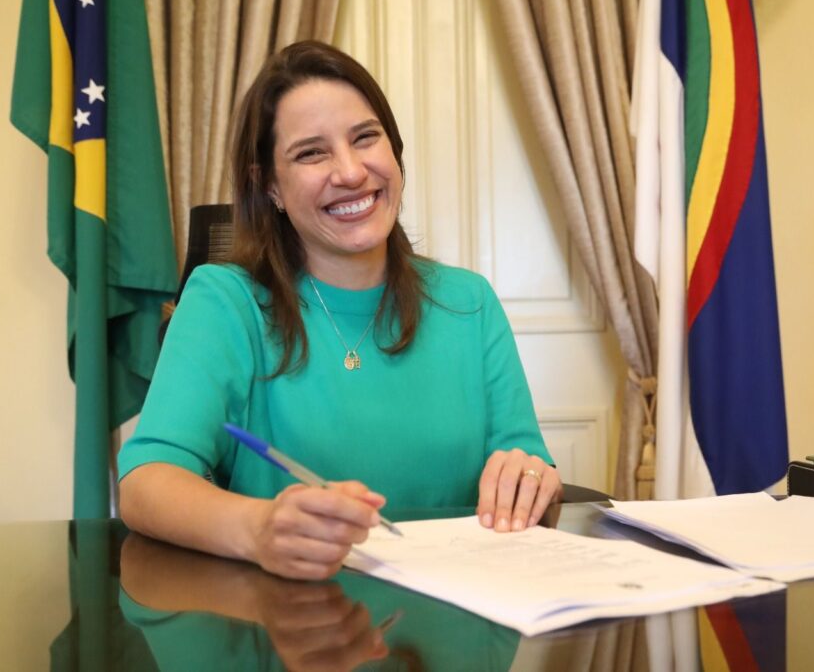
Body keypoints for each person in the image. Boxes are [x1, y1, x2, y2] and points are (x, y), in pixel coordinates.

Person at [118, 40, 561, 581]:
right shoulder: (225, 300)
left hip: (459, 609)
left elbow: (528, 466)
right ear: (270, 187)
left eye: (365, 138)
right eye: (311, 153)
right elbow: (145, 483)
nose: (350, 172)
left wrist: (531, 477)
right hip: (290, 616)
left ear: (394, 151)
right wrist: (258, 529)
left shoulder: (470, 301)